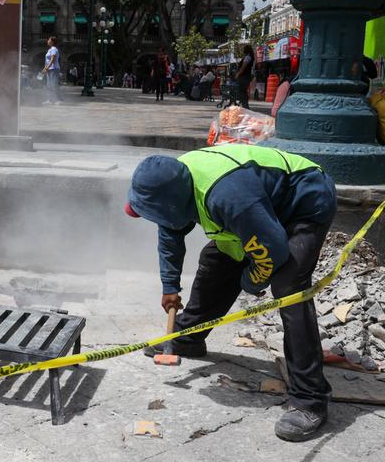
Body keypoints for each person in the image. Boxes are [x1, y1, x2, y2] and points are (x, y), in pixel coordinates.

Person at [124, 144, 337, 442]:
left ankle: (309, 400)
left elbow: (272, 251)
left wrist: (251, 282)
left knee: (289, 287)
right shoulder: (171, 182)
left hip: (302, 202)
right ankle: (188, 338)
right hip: (257, 214)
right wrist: (170, 286)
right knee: (216, 261)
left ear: (171, 203)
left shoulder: (227, 197)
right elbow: (170, 233)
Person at [42, 36, 61, 105]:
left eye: (49, 40)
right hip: (49, 69)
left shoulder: (54, 49)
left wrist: (46, 68)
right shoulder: (49, 50)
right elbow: (47, 61)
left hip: (54, 68)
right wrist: (44, 69)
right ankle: (50, 100)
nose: (47, 41)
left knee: (54, 84)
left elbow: (52, 59)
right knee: (49, 85)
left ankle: (57, 100)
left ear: (52, 41)